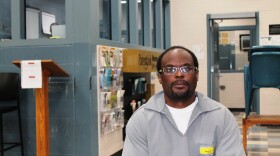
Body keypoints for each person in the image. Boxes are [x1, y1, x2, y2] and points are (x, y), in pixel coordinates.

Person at [122, 45, 245, 156]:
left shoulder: (221, 117)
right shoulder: (141, 120)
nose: (179, 74)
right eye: (170, 70)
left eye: (186, 69)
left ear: (196, 75)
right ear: (160, 78)